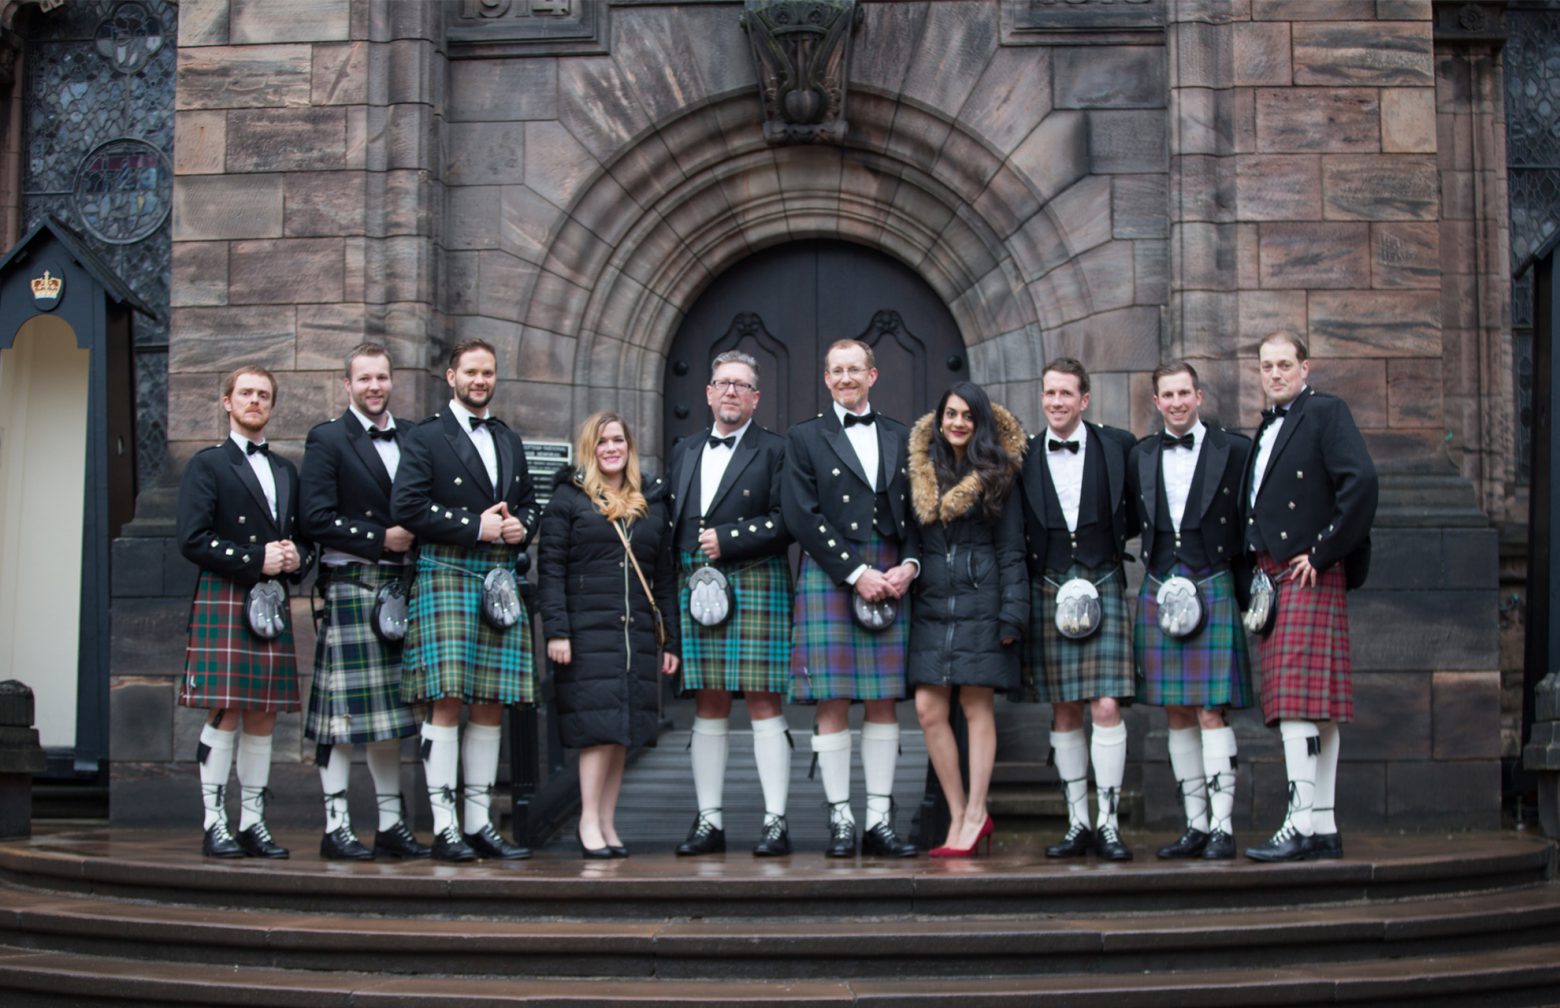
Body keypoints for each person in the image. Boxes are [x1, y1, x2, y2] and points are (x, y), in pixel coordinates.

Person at [391, 339, 537, 862]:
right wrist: (476, 526)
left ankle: (478, 823)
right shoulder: (427, 437)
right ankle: (445, 825)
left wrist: (522, 526)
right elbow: (405, 505)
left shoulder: (507, 437)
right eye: (471, 372)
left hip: (496, 578)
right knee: (447, 699)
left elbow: (529, 505)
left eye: (488, 372)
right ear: (450, 376)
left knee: (492, 701)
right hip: (448, 575)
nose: (480, 380)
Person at [782, 338, 921, 859]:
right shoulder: (805, 437)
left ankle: (879, 822)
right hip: (833, 572)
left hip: (889, 569)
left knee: (885, 702)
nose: (845, 378)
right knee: (833, 700)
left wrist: (909, 564)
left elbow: (915, 511)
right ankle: (841, 819)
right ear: (826, 379)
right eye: (836, 370)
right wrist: (855, 571)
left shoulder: (901, 436)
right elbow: (801, 515)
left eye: (854, 369)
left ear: (873, 375)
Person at [1241, 332, 1377, 862]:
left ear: (1305, 367)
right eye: (1266, 366)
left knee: (1298, 703)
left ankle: (1299, 824)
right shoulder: (1269, 424)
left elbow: (1361, 481)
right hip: (1274, 576)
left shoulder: (1325, 412)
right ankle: (1323, 825)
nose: (1274, 373)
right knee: (1315, 708)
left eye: (1284, 364)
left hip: (1306, 574)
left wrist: (1322, 553)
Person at [299, 343, 429, 861]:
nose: (374, 386)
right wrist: (380, 539)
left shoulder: (415, 436)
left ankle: (392, 826)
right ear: (346, 384)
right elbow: (314, 518)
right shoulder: (328, 439)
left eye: (382, 377)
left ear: (391, 381)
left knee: (390, 719)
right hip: (354, 583)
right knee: (341, 719)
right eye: (364, 379)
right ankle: (336, 827)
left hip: (404, 587)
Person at [179, 365, 312, 859]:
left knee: (263, 716)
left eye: (263, 395)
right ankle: (215, 823)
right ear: (227, 402)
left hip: (270, 603)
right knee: (225, 712)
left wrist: (299, 558)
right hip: (228, 595)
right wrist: (255, 559)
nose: (255, 401)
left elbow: (300, 538)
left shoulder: (284, 470)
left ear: (272, 406)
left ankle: (253, 822)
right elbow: (191, 540)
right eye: (246, 393)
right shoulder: (207, 465)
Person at [667, 351, 795, 857]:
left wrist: (732, 537)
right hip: (697, 584)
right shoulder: (685, 449)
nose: (731, 393)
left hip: (755, 578)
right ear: (708, 391)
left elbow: (790, 520)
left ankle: (776, 821)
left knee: (764, 699)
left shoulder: (776, 450)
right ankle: (709, 821)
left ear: (756, 398)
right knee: (710, 699)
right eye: (722, 383)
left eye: (742, 386)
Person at [538, 412, 681, 858]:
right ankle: (587, 822)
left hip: (635, 634)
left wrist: (670, 640)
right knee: (597, 731)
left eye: (618, 440)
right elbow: (551, 569)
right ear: (590, 449)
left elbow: (665, 577)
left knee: (623, 732)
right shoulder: (570, 499)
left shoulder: (651, 501)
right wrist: (556, 631)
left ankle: (606, 821)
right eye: (602, 442)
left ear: (630, 446)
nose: (611, 448)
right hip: (586, 633)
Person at [1127, 361, 1253, 861]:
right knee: (1177, 711)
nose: (1177, 402)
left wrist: (1250, 593)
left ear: (1199, 397)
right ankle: (1195, 825)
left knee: (1209, 711)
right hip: (1161, 582)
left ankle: (1222, 827)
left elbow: (1250, 517)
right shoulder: (1141, 454)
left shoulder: (1235, 450)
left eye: (1184, 393)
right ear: (1156, 403)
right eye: (1167, 395)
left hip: (1213, 578)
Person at [1015, 357, 1139, 861]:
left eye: (1066, 394)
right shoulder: (1021, 455)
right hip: (1047, 582)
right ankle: (1077, 824)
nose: (1057, 403)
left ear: (1084, 399)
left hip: (1102, 577)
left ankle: (1108, 823)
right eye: (1049, 394)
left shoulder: (1119, 446)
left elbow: (1138, 508)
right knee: (1063, 707)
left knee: (1105, 705)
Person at [906, 382, 1027, 858]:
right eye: (950, 414)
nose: (957, 423)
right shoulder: (921, 472)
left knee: (977, 708)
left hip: (982, 602)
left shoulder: (998, 473)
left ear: (980, 423)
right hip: (933, 604)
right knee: (928, 709)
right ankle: (958, 813)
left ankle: (977, 813)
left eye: (966, 416)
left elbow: (1012, 550)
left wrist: (1012, 614)